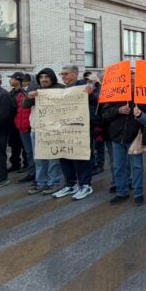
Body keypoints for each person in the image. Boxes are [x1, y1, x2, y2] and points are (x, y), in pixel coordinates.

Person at [53, 64, 95, 201]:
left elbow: (97, 101)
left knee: (80, 157)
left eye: (66, 73)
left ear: (75, 74)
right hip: (64, 129)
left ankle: (85, 185)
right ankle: (70, 184)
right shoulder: (60, 90)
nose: (63, 76)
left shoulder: (85, 87)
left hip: (80, 129)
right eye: (62, 74)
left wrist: (91, 94)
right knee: (64, 155)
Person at [100, 97, 146, 206]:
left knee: (137, 167)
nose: (131, 81)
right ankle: (122, 192)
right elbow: (105, 114)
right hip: (117, 137)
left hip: (135, 137)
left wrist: (140, 114)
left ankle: (138, 193)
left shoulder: (143, 95)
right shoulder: (115, 94)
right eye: (130, 79)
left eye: (133, 79)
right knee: (118, 166)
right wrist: (118, 110)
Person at [22, 68, 64, 195]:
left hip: (54, 130)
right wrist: (29, 96)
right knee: (39, 158)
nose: (43, 79)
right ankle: (41, 183)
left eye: (46, 77)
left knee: (53, 158)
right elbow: (25, 105)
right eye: (41, 77)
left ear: (52, 77)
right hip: (37, 129)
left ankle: (54, 182)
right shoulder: (36, 89)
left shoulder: (61, 89)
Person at [8, 72, 35, 184]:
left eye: (27, 81)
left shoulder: (31, 93)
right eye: (24, 81)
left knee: (32, 152)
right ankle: (31, 171)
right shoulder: (17, 94)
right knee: (28, 151)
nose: (25, 84)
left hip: (31, 126)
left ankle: (35, 172)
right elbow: (19, 110)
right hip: (20, 125)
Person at [6, 73, 26, 173]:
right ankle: (15, 163)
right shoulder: (12, 92)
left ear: (18, 80)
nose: (10, 81)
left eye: (12, 79)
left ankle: (26, 164)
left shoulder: (23, 92)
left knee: (24, 145)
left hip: (21, 121)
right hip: (12, 122)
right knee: (14, 144)